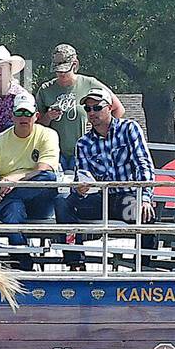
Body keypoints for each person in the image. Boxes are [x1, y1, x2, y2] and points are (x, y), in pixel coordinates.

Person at [56, 88, 157, 271]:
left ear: (110, 108)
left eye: (97, 107)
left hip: (127, 198)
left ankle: (143, 269)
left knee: (144, 213)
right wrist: (79, 190)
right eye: (88, 109)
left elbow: (144, 165)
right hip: (101, 200)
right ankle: (75, 263)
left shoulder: (129, 128)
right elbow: (83, 176)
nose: (92, 112)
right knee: (63, 202)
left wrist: (145, 197)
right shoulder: (83, 143)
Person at [0, 90, 59, 271]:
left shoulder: (48, 135)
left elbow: (45, 169)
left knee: (48, 179)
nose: (23, 117)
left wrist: (15, 179)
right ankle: (23, 263)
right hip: (6, 201)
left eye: (27, 113)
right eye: (19, 112)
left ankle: (21, 263)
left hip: (39, 202)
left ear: (36, 116)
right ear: (12, 116)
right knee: (13, 208)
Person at [36, 43, 125, 172]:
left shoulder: (89, 83)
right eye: (58, 70)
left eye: (65, 70)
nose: (61, 74)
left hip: (84, 151)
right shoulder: (45, 89)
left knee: (81, 189)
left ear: (74, 64)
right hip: (54, 152)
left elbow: (118, 109)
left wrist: (100, 132)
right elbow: (36, 125)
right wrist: (48, 116)